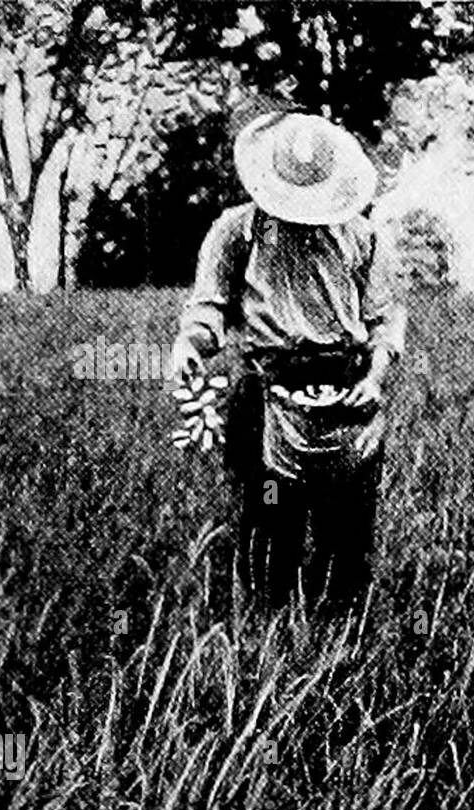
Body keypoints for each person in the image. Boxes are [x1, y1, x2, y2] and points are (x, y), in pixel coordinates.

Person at [170, 108, 406, 610]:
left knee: (346, 528)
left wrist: (375, 378)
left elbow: (385, 320)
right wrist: (191, 345)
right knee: (271, 514)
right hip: (266, 384)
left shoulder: (360, 237)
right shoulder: (237, 232)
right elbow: (208, 308)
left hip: (344, 385)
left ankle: (340, 634)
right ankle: (269, 628)